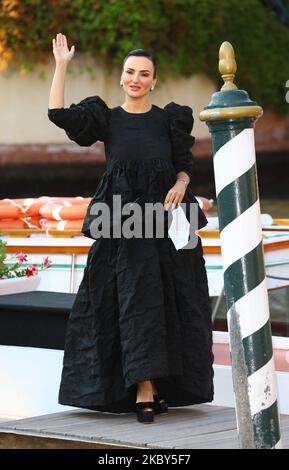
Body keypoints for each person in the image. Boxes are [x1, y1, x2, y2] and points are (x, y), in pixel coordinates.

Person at [48, 33, 214, 424]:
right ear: (122, 78)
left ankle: (157, 386)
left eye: (144, 74)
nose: (135, 79)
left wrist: (181, 183)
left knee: (172, 302)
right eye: (129, 72)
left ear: (154, 81)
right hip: (123, 219)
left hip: (167, 218)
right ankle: (142, 388)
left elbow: (184, 162)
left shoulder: (169, 119)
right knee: (131, 302)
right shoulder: (106, 118)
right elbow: (58, 114)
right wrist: (61, 65)